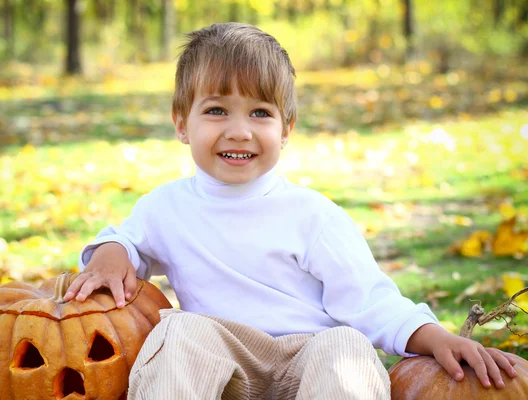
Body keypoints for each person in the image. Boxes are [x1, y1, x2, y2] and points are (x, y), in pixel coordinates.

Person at [64, 22, 518, 399]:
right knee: (178, 333)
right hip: (221, 365)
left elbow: (371, 300)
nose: (239, 131)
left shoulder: (312, 216)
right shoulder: (165, 207)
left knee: (346, 345)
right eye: (217, 110)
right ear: (182, 123)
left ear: (286, 129)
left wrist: (436, 337)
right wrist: (110, 251)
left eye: (260, 113)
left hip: (308, 361)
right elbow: (126, 240)